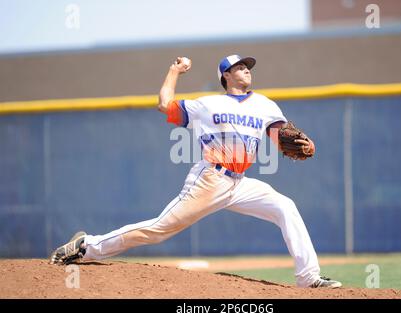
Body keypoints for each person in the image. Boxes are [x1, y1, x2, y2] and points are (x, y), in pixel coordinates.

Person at [49, 54, 342, 288]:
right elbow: (164, 104)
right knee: (158, 229)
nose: (246, 70)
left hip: (240, 183)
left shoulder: (264, 104)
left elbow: (281, 135)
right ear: (225, 75)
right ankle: (86, 246)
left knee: (284, 207)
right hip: (210, 179)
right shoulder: (207, 105)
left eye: (247, 66)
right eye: (239, 67)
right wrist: (175, 71)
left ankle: (308, 278)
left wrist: (301, 143)